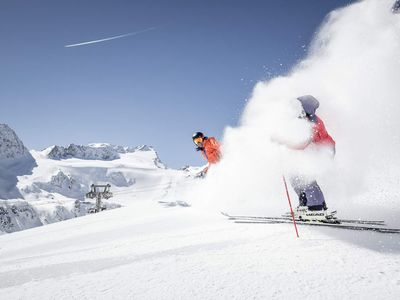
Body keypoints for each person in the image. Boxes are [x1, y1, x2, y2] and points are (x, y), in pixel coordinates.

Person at [274, 95, 336, 220]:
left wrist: (283, 142)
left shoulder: (314, 123)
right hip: (313, 150)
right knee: (293, 174)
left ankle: (317, 206)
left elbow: (302, 144)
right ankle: (305, 203)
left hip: (325, 151)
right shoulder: (302, 120)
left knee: (306, 175)